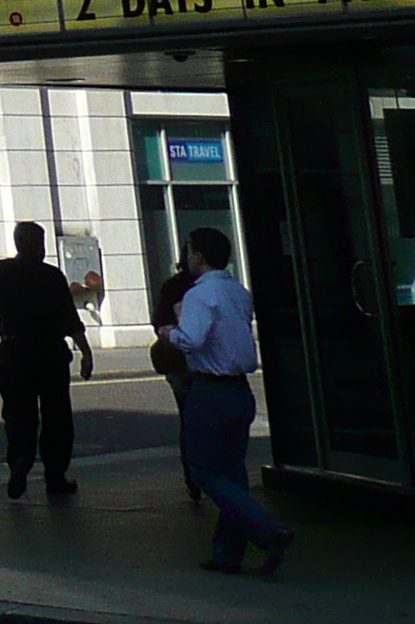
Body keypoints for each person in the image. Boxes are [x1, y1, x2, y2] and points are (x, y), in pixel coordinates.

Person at [166, 226, 291, 576]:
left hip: (209, 390)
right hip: (240, 390)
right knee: (233, 474)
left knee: (205, 472)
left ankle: (267, 531)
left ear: (198, 257)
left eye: (189, 251)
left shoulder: (198, 295)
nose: (186, 257)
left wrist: (168, 332)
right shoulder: (238, 291)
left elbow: (190, 339)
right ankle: (227, 552)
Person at [0, 220, 93, 498]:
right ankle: (55, 476)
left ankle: (19, 464)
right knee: (57, 417)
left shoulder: (1, 271)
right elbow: (69, 318)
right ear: (40, 244)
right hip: (49, 354)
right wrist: (85, 352)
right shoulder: (51, 276)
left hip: (14, 353)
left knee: (17, 414)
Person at [152, 251, 205, 503]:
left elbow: (159, 322)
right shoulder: (206, 287)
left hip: (179, 364)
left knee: (188, 420)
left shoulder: (172, 286)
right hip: (203, 363)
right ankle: (207, 474)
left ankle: (192, 477)